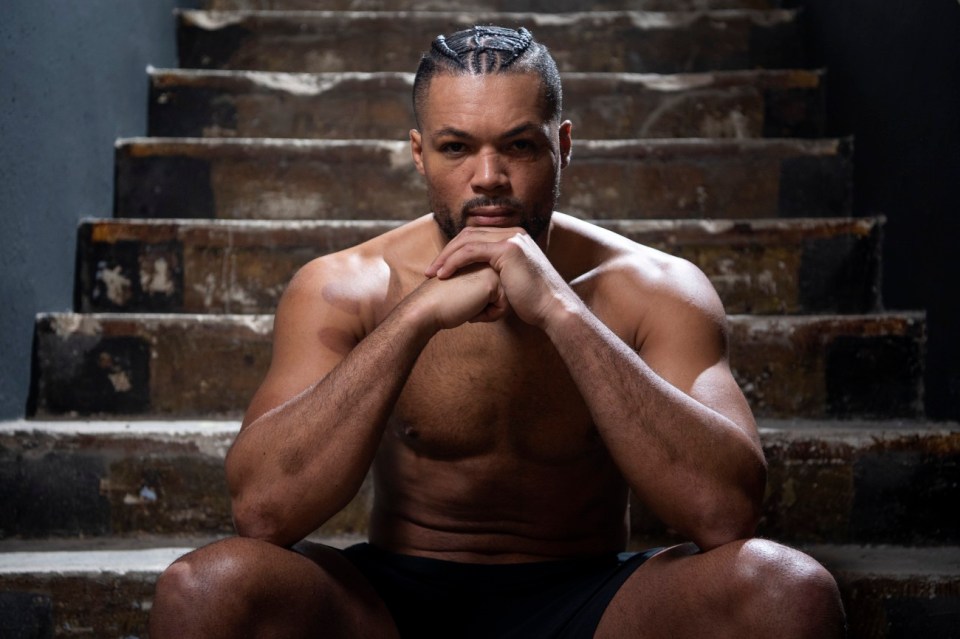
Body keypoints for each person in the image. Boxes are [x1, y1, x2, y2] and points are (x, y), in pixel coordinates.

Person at [150, 26, 845, 638]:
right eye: (457, 147)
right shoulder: (345, 286)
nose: (489, 177)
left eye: (519, 145)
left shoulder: (655, 289)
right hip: (393, 603)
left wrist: (559, 310)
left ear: (562, 146)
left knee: (788, 591)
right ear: (419, 154)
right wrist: (417, 314)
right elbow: (264, 513)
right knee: (205, 591)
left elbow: (726, 515)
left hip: (593, 599)